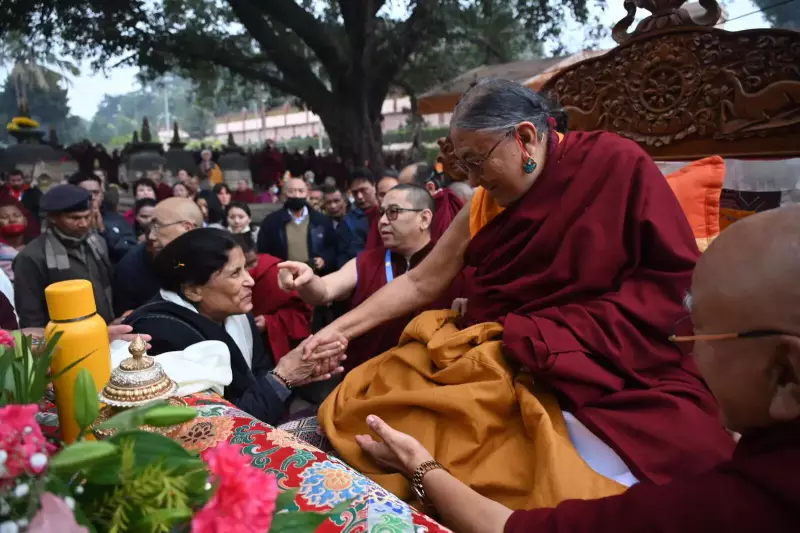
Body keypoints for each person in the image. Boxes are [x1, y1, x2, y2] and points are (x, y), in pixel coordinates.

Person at [306, 79, 734, 508]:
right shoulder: (484, 203)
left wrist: (549, 332)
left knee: (685, 452)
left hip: (606, 357)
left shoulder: (615, 165)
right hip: (502, 347)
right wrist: (332, 333)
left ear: (526, 138)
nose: (472, 180)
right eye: (464, 166)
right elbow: (420, 282)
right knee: (369, 400)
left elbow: (672, 283)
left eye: (477, 162)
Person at [355, 206, 800, 533]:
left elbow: (504, 527)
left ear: (788, 374)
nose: (693, 356)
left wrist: (418, 464)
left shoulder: (731, 508)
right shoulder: (482, 207)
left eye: (700, 337)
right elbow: (421, 284)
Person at [123, 228, 344, 424]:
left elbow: (258, 374)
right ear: (193, 290)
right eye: (235, 274)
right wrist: (282, 376)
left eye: (246, 268)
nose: (250, 281)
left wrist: (294, 376)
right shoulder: (159, 336)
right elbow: (218, 427)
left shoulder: (236, 312)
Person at [280, 184, 467, 373]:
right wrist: (307, 279)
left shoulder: (449, 261)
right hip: (369, 378)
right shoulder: (367, 261)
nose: (383, 221)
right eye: (382, 213)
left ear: (424, 218)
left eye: (394, 212)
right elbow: (325, 291)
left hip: (432, 378)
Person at [14, 185, 114, 327]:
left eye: (87, 216)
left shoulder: (97, 243)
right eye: (75, 218)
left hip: (105, 331)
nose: (84, 224)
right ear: (53, 218)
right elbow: (30, 315)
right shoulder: (32, 257)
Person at [112, 197, 204, 316]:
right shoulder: (132, 266)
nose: (151, 236)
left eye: (158, 227)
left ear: (187, 228)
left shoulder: (216, 258)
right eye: (151, 227)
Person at [232, 233, 312, 362]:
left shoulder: (274, 272)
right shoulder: (223, 280)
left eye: (252, 263)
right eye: (238, 269)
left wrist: (269, 322)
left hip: (271, 347)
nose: (247, 275)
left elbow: (302, 314)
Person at [257, 177, 336, 274]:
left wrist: (324, 259)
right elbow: (263, 252)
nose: (297, 195)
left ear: (307, 194)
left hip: (315, 276)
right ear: (284, 194)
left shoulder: (321, 221)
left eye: (301, 191)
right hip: (283, 278)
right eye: (291, 191)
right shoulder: (271, 222)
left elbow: (333, 247)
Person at [70, 172, 137, 262]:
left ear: (102, 195)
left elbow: (129, 253)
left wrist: (103, 231)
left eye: (96, 192)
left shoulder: (118, 221)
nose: (92, 197)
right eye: (86, 192)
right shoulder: (65, 221)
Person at [335, 168, 378, 268]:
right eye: (355, 192)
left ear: (374, 186)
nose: (359, 196)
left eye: (364, 190)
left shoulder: (389, 213)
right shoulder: (346, 224)